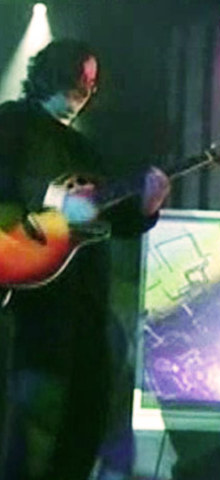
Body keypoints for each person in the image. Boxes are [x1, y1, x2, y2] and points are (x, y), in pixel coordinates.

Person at [0, 39, 170, 480]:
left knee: (84, 420)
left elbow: (109, 217)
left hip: (85, 306)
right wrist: (50, 204)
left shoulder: (84, 149)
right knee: (31, 431)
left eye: (93, 82)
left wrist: (147, 208)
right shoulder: (11, 123)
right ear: (53, 72)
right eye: (81, 76)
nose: (87, 89)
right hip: (30, 308)